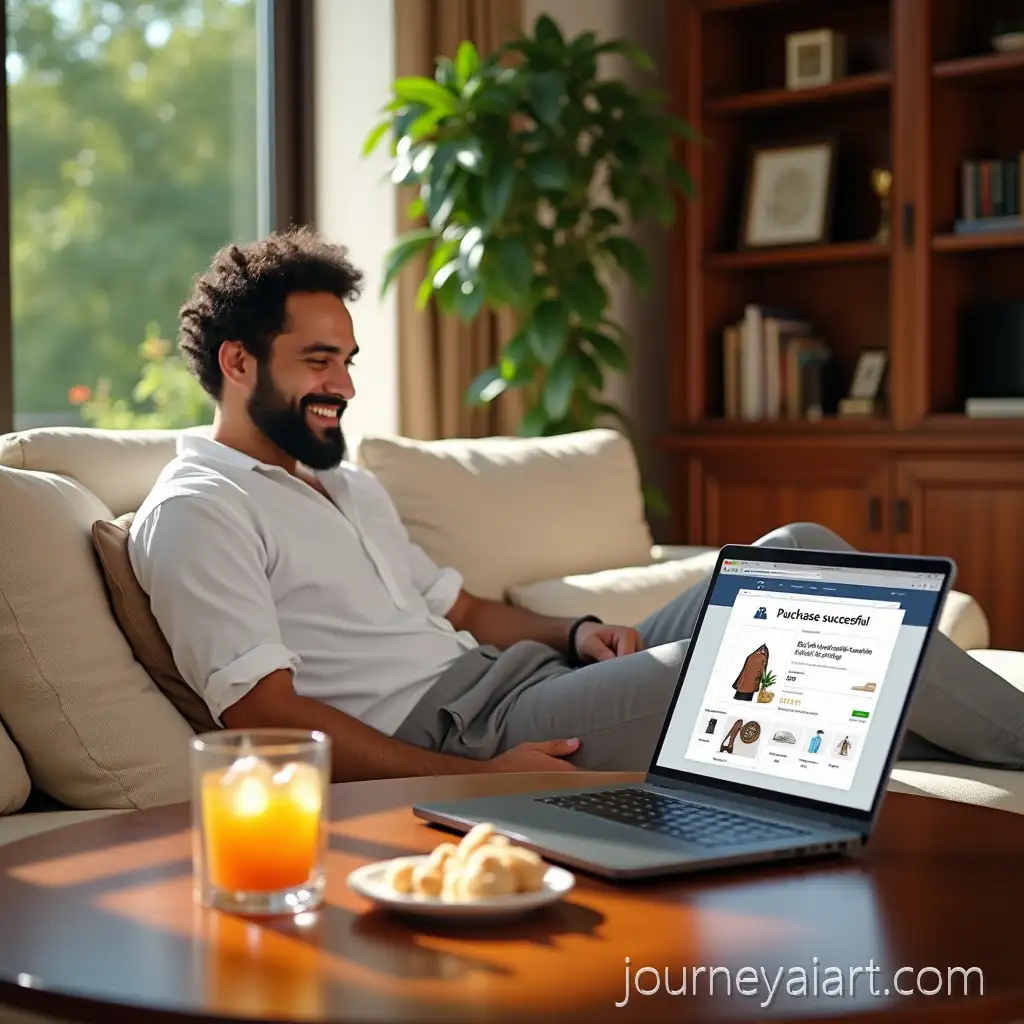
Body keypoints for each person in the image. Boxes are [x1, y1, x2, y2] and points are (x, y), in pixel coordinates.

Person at [129, 228, 1024, 783]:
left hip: (529, 682)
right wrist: (464, 779)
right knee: (761, 656)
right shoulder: (200, 509)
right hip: (473, 736)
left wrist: (574, 631)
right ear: (238, 363)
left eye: (350, 359)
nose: (344, 384)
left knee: (799, 552)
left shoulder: (343, 482)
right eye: (318, 360)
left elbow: (465, 608)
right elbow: (261, 716)